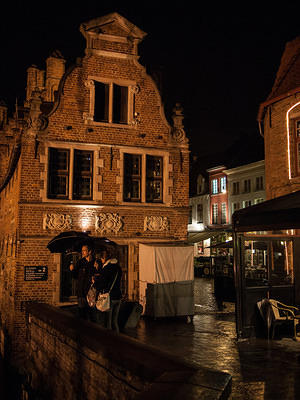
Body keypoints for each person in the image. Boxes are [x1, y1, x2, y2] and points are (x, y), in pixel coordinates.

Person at [93, 249, 122, 333]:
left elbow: (102, 284)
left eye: (101, 259)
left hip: (109, 298)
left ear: (104, 259)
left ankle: (109, 342)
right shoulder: (118, 267)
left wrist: (95, 282)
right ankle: (118, 340)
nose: (101, 261)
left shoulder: (106, 268)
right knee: (114, 322)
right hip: (118, 297)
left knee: (107, 323)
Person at [70, 243, 96, 320]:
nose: (82, 252)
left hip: (91, 292)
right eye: (82, 251)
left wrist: (96, 269)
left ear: (90, 251)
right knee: (82, 314)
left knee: (92, 315)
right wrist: (72, 270)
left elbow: (99, 275)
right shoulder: (80, 262)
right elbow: (75, 276)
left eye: (84, 250)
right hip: (81, 292)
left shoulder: (95, 262)